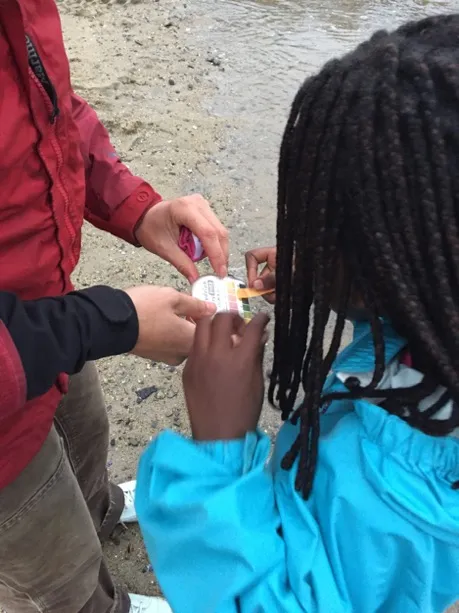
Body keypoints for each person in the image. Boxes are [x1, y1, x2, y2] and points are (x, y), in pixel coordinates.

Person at [135, 14, 459, 613]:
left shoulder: (386, 481)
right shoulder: (438, 327)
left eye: (327, 234)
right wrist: (341, 285)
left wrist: (221, 445)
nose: (306, 247)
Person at [0, 1, 228, 612]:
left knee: (84, 429)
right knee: (53, 565)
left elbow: (49, 111)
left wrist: (136, 208)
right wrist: (117, 321)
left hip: (49, 309)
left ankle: (97, 509)